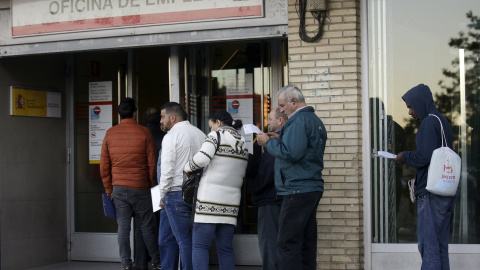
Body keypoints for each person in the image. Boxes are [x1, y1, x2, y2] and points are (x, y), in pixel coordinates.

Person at [257, 85, 327, 270]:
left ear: (294, 102)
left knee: (287, 243)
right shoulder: (314, 120)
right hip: (310, 188)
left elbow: (292, 154)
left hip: (296, 189)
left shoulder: (297, 121)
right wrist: (279, 139)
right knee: (306, 243)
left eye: (282, 105)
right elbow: (304, 150)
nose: (281, 109)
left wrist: (268, 143)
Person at [393, 84, 457, 270]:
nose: (411, 112)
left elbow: (424, 156)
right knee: (440, 247)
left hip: (431, 192)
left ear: (420, 103)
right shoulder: (442, 121)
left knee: (429, 249)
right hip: (446, 191)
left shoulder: (429, 123)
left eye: (411, 107)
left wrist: (403, 156)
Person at [184, 110, 249, 270]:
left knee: (200, 246)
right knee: (225, 249)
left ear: (218, 123)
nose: (210, 129)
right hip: (231, 204)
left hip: (208, 202)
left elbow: (201, 158)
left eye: (211, 126)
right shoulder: (242, 142)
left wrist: (187, 167)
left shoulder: (215, 136)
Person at [100, 97, 161, 270]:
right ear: (134, 113)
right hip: (141, 187)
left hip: (119, 188)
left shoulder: (110, 133)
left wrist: (109, 189)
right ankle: (156, 261)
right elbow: (152, 162)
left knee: (123, 227)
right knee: (147, 226)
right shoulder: (144, 132)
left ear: (119, 114)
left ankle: (126, 264)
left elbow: (104, 164)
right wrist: (151, 185)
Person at [158, 102, 206, 270]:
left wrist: (162, 194)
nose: (161, 121)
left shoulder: (171, 136)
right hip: (198, 193)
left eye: (163, 117)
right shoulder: (200, 134)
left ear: (173, 117)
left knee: (183, 241)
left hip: (175, 193)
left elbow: (167, 169)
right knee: (193, 240)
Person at [252, 107, 287, 270]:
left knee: (269, 244)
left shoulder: (275, 144)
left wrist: (256, 191)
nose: (267, 123)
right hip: (282, 198)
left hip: (270, 199)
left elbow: (268, 172)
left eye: (270, 119)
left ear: (280, 121)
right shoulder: (286, 138)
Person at [134, 107, 166, 270]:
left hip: (142, 184)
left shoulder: (138, 136)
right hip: (160, 186)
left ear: (144, 120)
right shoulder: (166, 137)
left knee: (142, 224)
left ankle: (140, 262)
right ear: (159, 120)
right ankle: (160, 259)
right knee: (162, 223)